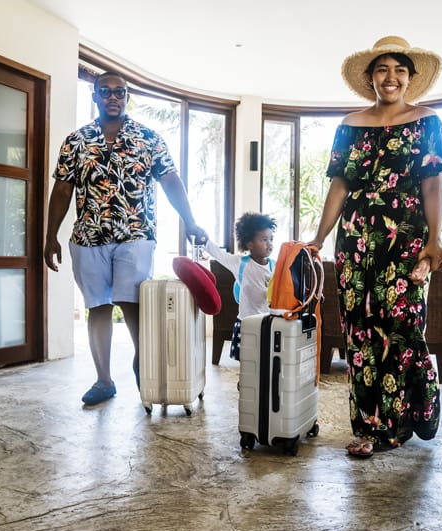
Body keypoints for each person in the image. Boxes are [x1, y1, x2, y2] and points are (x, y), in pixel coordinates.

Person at [308, 36, 442, 458]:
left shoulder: (428, 122)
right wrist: (319, 237)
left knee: (402, 327)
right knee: (360, 331)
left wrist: (434, 239)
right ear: (370, 77)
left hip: (404, 240)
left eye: (399, 70)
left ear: (410, 78)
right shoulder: (349, 125)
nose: (391, 78)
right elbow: (339, 184)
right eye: (383, 70)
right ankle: (370, 428)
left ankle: (410, 413)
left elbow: (432, 184)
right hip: (355, 241)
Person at [44, 71, 206, 407]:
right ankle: (104, 380)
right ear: (96, 96)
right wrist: (50, 236)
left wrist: (189, 221)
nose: (113, 97)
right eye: (106, 91)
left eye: (120, 92)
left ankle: (142, 362)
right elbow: (62, 189)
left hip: (135, 233)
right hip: (88, 236)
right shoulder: (76, 141)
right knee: (97, 306)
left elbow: (171, 181)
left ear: (127, 96)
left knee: (132, 300)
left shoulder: (149, 138)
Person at [203, 212, 277, 361]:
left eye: (271, 239)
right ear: (250, 243)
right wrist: (204, 240)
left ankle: (263, 384)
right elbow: (219, 254)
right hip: (247, 324)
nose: (269, 243)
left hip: (269, 325)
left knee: (267, 361)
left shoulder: (275, 266)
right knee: (247, 364)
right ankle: (245, 385)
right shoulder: (241, 263)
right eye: (264, 239)